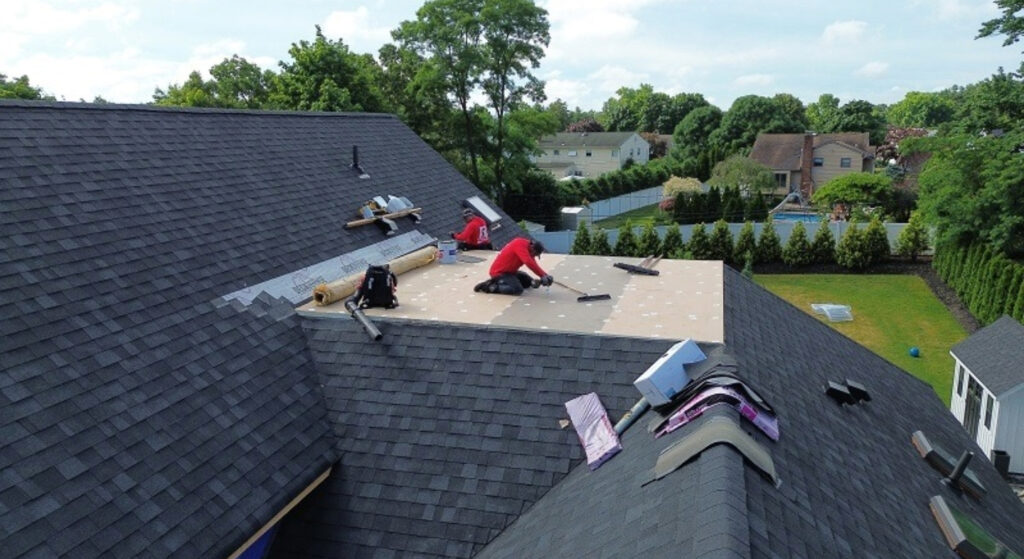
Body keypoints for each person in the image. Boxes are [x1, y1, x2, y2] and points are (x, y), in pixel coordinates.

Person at [474, 237, 553, 295]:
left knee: (528, 282)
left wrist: (545, 275)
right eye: (535, 255)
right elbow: (528, 262)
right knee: (517, 290)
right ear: (533, 249)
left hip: (510, 272)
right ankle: (490, 287)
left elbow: (532, 262)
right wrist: (542, 275)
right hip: (500, 273)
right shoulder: (519, 244)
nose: (534, 256)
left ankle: (503, 282)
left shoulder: (529, 248)